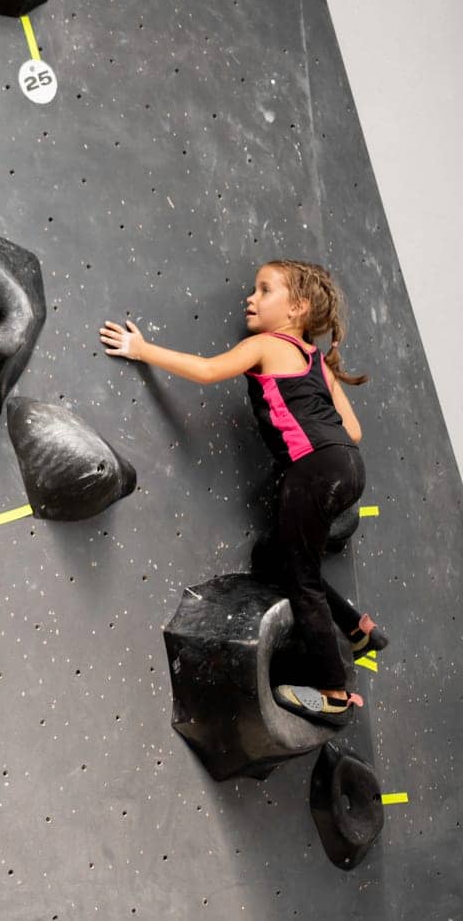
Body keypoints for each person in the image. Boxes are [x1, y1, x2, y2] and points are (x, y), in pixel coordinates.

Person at [99, 260, 387, 725]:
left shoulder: (267, 345)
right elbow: (351, 429)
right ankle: (357, 628)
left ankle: (333, 692)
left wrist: (142, 348)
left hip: (311, 470)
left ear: (298, 307)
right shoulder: (315, 362)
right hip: (347, 468)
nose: (250, 299)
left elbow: (210, 371)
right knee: (275, 558)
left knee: (302, 580)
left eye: (264, 290)